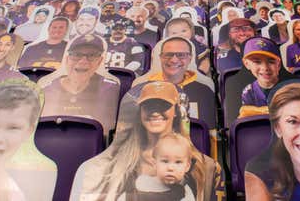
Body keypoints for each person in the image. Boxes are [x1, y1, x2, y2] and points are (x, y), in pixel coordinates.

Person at [71, 81, 224, 201]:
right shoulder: (97, 167)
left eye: (163, 105)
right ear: (140, 111)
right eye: (149, 105)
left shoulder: (208, 168)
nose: (155, 112)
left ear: (176, 112)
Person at [38, 34, 121, 134]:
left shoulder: (111, 90)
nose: (83, 61)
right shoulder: (46, 90)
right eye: (77, 55)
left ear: (99, 61)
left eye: (92, 55)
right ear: (67, 59)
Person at [117, 132, 196, 201]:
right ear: (155, 164)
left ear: (187, 166)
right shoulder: (143, 183)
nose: (170, 168)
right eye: (165, 161)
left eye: (178, 162)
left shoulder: (185, 193)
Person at [238, 37, 285, 118]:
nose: (265, 68)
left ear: (279, 64)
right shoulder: (249, 91)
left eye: (271, 62)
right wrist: (266, 110)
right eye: (257, 62)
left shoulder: (289, 87)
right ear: (246, 64)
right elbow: (244, 111)